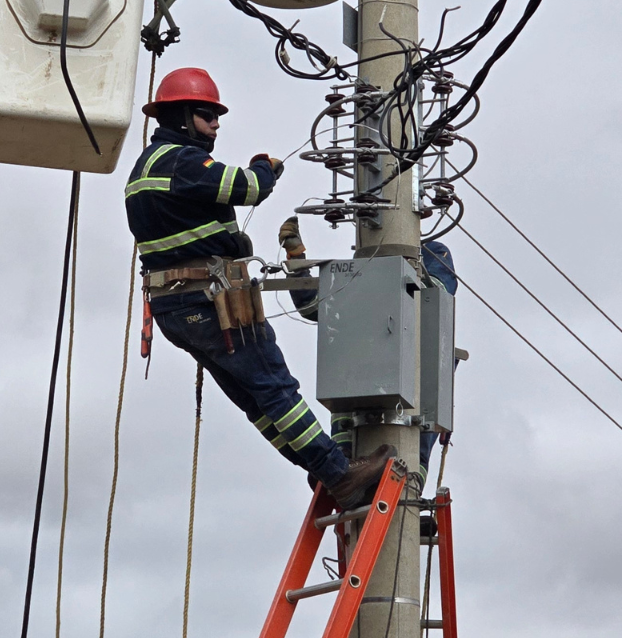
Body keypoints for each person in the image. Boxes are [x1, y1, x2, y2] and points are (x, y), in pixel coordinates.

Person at [125, 67, 395, 511]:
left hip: (175, 307)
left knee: (255, 400)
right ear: (181, 116)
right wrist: (262, 168)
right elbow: (248, 189)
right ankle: (338, 473)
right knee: (275, 389)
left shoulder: (144, 169)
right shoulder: (182, 161)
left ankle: (323, 469)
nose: (215, 124)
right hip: (209, 302)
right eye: (208, 115)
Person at [279, 218, 459, 491]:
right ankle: (339, 469)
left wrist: (394, 277)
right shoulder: (358, 273)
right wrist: (297, 259)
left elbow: (433, 295)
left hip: (413, 406)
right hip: (355, 405)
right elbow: (313, 307)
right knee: (344, 444)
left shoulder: (434, 253)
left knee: (415, 436)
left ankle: (408, 488)